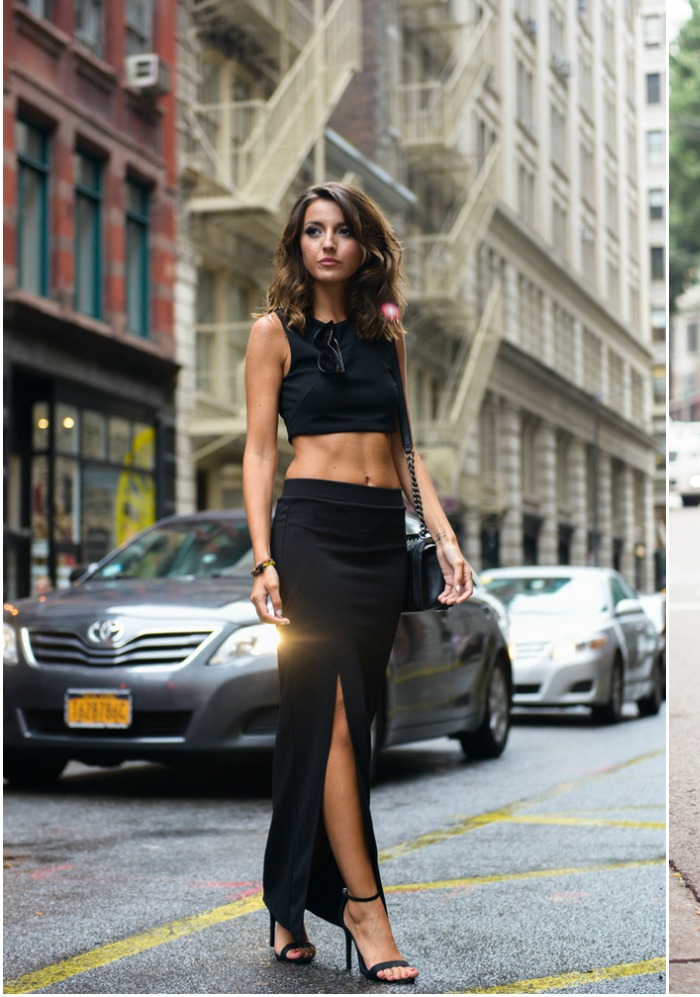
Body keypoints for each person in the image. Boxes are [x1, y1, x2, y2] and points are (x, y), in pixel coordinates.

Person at [244, 183, 476, 983]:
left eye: (342, 230)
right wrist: (262, 558)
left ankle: (286, 900)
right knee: (335, 720)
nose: (329, 243)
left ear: (363, 242)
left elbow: (407, 448)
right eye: (314, 230)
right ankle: (364, 907)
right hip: (310, 534)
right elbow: (259, 453)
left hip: (379, 540)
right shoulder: (273, 334)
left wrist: (443, 537)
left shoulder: (388, 333)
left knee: (333, 726)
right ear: (297, 244)